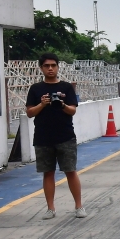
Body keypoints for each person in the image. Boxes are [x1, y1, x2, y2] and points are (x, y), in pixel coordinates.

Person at [25, 53, 87, 219]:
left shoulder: (66, 87)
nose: (50, 68)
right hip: (43, 137)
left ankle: (79, 206)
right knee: (48, 172)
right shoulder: (35, 89)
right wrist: (42, 104)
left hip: (65, 136)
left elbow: (73, 110)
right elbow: (30, 113)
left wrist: (62, 104)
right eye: (46, 66)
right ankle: (50, 208)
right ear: (41, 68)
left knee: (70, 171)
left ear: (58, 67)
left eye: (53, 65)